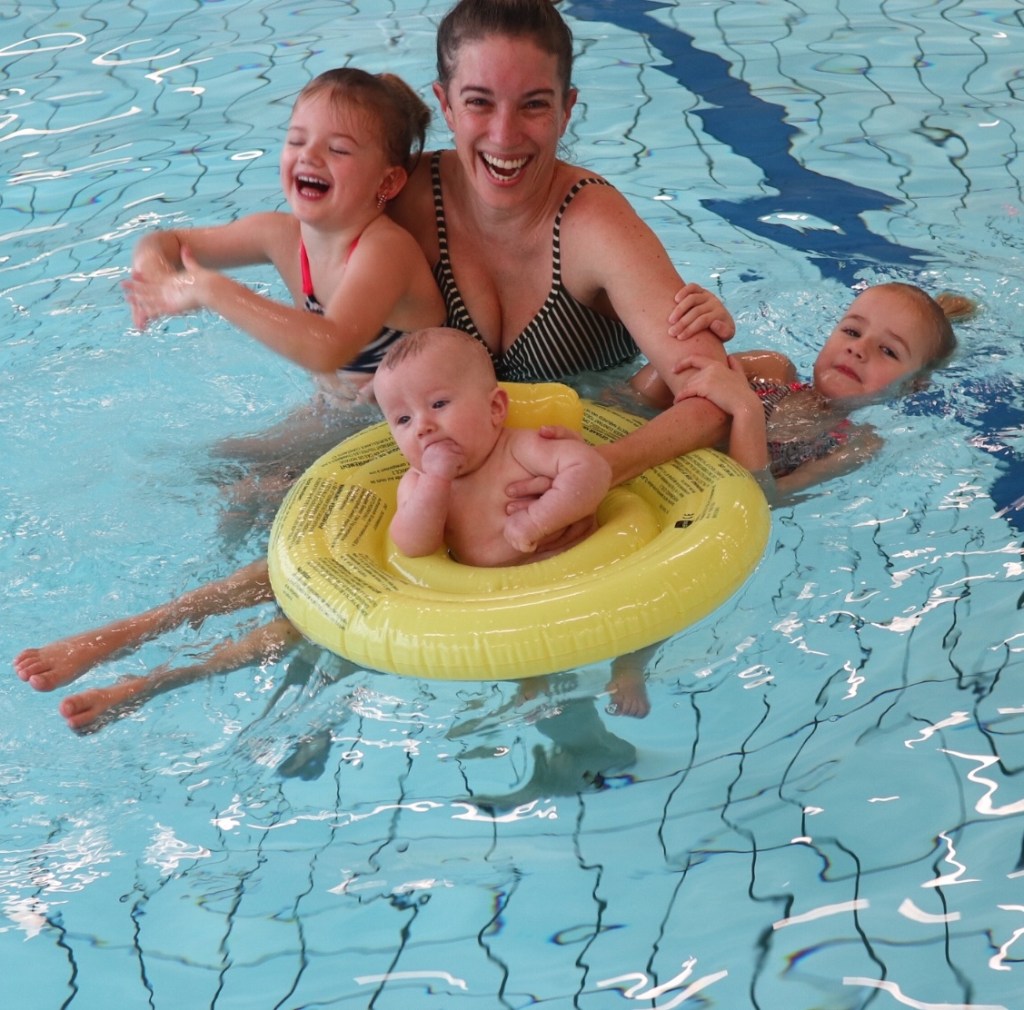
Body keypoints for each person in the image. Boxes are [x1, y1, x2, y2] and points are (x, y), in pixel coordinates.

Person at [386, 0, 738, 488]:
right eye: (479, 102)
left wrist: (593, 471)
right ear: (445, 104)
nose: (504, 135)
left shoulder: (593, 226)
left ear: (567, 109)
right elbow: (309, 267)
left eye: (534, 104)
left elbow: (717, 397)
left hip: (608, 429)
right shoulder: (401, 201)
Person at [124, 67, 446, 519]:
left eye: (337, 149)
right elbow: (164, 242)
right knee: (208, 464)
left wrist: (211, 288)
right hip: (337, 417)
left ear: (387, 183)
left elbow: (328, 347)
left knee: (246, 498)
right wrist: (157, 276)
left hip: (408, 439)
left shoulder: (384, 251)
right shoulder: (281, 236)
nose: (309, 156)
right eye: (296, 141)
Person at [658, 282, 976, 499]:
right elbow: (641, 396)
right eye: (852, 331)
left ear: (911, 386)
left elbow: (763, 500)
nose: (858, 349)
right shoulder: (767, 371)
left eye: (888, 351)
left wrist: (746, 410)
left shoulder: (855, 444)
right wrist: (700, 329)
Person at [377, 327, 611, 566]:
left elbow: (592, 468)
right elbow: (413, 546)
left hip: (576, 568)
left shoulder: (518, 448)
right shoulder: (417, 482)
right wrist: (435, 480)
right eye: (403, 419)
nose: (421, 427)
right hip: (485, 587)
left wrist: (538, 519)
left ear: (495, 408)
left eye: (438, 404)